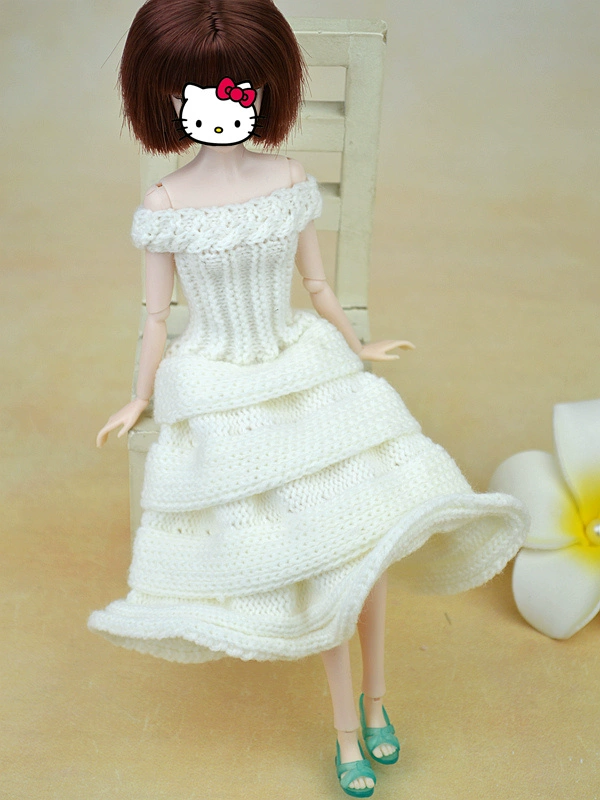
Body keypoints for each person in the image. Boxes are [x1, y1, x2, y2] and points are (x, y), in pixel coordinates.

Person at [89, 1, 528, 795]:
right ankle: (346, 734)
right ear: (169, 98)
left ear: (263, 92)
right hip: (219, 379)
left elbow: (317, 285)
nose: (220, 111)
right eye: (198, 96)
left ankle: (377, 700)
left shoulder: (288, 181)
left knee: (369, 538)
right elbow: (156, 319)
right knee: (321, 554)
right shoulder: (166, 206)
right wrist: (137, 398)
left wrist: (359, 346)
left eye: (237, 93)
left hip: (300, 357)